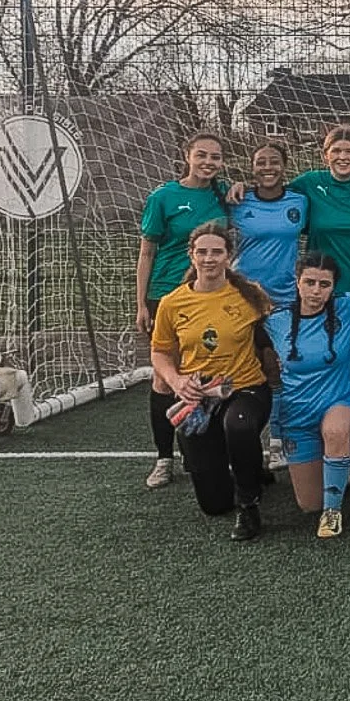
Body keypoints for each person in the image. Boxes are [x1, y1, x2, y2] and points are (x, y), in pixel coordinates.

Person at [149, 222, 275, 541]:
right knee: (215, 504)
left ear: (228, 256)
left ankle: (249, 504)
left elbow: (272, 337)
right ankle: (242, 469)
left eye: (217, 252)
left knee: (240, 425)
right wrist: (177, 381)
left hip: (246, 388)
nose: (209, 258)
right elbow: (160, 353)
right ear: (191, 256)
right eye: (202, 252)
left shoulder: (251, 295)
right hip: (199, 396)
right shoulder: (172, 303)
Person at [135, 132, 231, 489]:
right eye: (202, 155)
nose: (208, 162)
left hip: (210, 295)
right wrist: (142, 302)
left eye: (216, 157)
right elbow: (147, 252)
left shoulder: (225, 195)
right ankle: (164, 457)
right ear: (187, 156)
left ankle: (198, 448)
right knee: (164, 376)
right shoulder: (164, 197)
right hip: (167, 296)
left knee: (204, 369)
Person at [262, 252, 350, 538]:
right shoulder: (276, 320)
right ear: (297, 282)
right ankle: (336, 469)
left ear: (334, 287)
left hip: (340, 404)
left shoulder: (347, 305)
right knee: (308, 504)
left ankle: (333, 512)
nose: (316, 291)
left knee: (335, 429)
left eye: (324, 284)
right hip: (297, 415)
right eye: (310, 283)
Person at [286, 125, 350, 297]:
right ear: (325, 156)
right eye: (336, 151)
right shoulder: (309, 183)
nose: (343, 157)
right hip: (320, 290)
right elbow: (272, 195)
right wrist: (240, 189)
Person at [228, 142, 309, 310]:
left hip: (286, 296)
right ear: (252, 169)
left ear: (284, 166)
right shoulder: (238, 200)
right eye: (260, 162)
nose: (268, 167)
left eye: (274, 162)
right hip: (242, 292)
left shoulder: (300, 201)